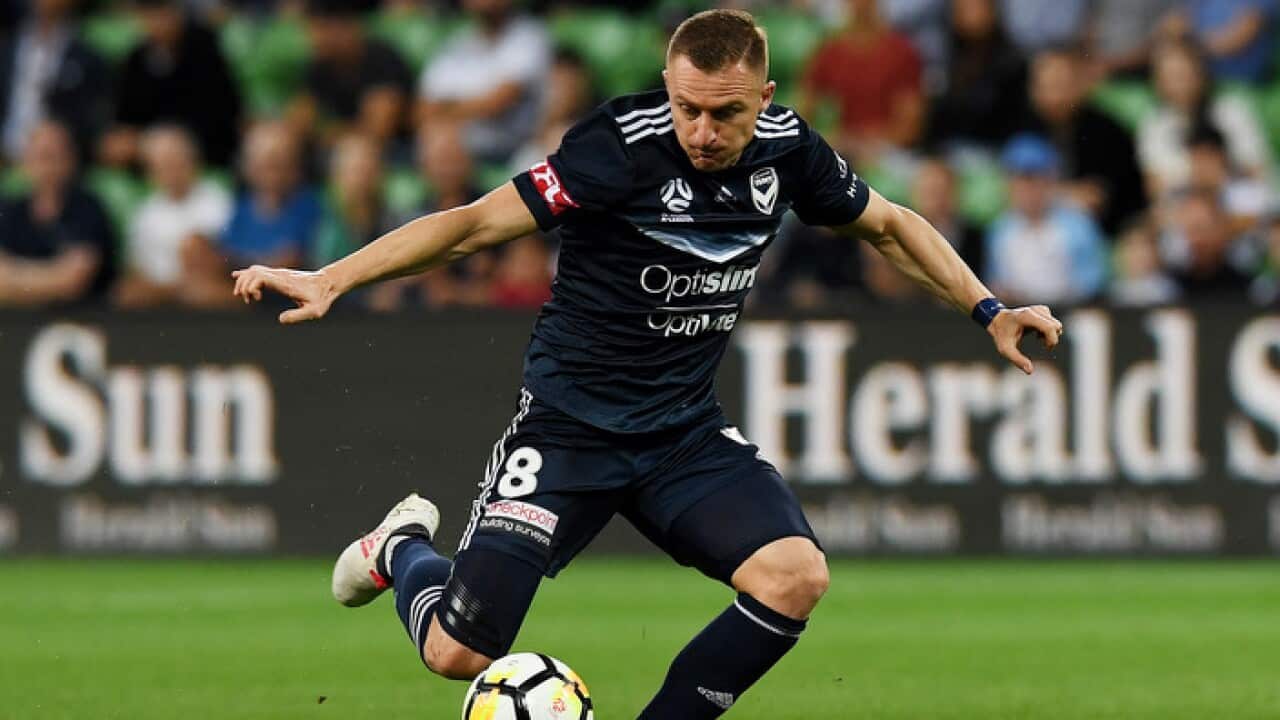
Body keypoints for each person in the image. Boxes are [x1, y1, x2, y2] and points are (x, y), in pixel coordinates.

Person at [231, 10, 1062, 718]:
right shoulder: (616, 148)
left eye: (724, 114)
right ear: (667, 85)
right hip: (568, 429)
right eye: (686, 108)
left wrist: (988, 308)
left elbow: (889, 225)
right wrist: (335, 275)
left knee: (796, 576)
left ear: (763, 100)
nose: (701, 132)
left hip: (681, 435)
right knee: (456, 653)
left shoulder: (787, 151)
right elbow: (479, 224)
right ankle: (402, 548)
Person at [100, 0, 241, 169]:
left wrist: (165, 140)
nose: (157, 22)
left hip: (203, 150)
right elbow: (126, 115)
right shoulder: (136, 59)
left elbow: (221, 111)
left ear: (176, 13)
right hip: (147, 152)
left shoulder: (205, 48)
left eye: (162, 13)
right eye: (149, 16)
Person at [416, 0, 551, 164]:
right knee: (436, 135)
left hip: (517, 149)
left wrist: (447, 108)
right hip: (464, 147)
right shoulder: (457, 42)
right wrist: (472, 107)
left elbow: (498, 103)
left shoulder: (530, 36)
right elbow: (424, 109)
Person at [115, 125, 233, 308]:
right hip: (160, 295)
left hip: (203, 294)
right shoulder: (145, 213)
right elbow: (136, 267)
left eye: (176, 162)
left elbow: (218, 261)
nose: (171, 172)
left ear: (193, 162)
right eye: (163, 165)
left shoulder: (218, 202)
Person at [1138, 38, 1273, 197]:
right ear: (1158, 82)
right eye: (1171, 76)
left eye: (1185, 73)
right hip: (1185, 211)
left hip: (1242, 205)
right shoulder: (1154, 125)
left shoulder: (1233, 111)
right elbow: (1154, 185)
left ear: (1202, 73)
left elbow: (1258, 169)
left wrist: (1224, 174)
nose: (1181, 83)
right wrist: (1198, 177)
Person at [984, 134, 1109, 304]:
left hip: (1067, 313)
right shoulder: (999, 230)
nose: (1029, 189)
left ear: (1051, 180)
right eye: (1021, 180)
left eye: (1036, 180)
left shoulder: (1078, 225)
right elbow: (995, 281)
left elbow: (1093, 283)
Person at [0, 121, 114, 306]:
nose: (48, 167)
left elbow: (74, 280)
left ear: (70, 160)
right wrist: (55, 273)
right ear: (25, 161)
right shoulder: (10, 210)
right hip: (17, 323)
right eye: (41, 157)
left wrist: (16, 276)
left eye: (55, 156)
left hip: (84, 322)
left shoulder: (88, 208)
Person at [799, 0, 924, 163]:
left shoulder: (902, 52)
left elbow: (909, 127)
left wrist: (872, 144)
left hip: (888, 152)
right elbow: (804, 114)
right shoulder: (829, 52)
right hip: (842, 148)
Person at [288, 0, 412, 151]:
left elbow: (378, 131)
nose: (313, 39)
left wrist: (328, 134)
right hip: (340, 152)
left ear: (343, 28)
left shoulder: (382, 59)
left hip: (395, 152)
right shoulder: (319, 66)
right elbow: (298, 121)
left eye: (319, 29)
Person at [0, 0, 112, 164]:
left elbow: (90, 117)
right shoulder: (7, 49)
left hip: (57, 153)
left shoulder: (88, 58)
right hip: (6, 149)